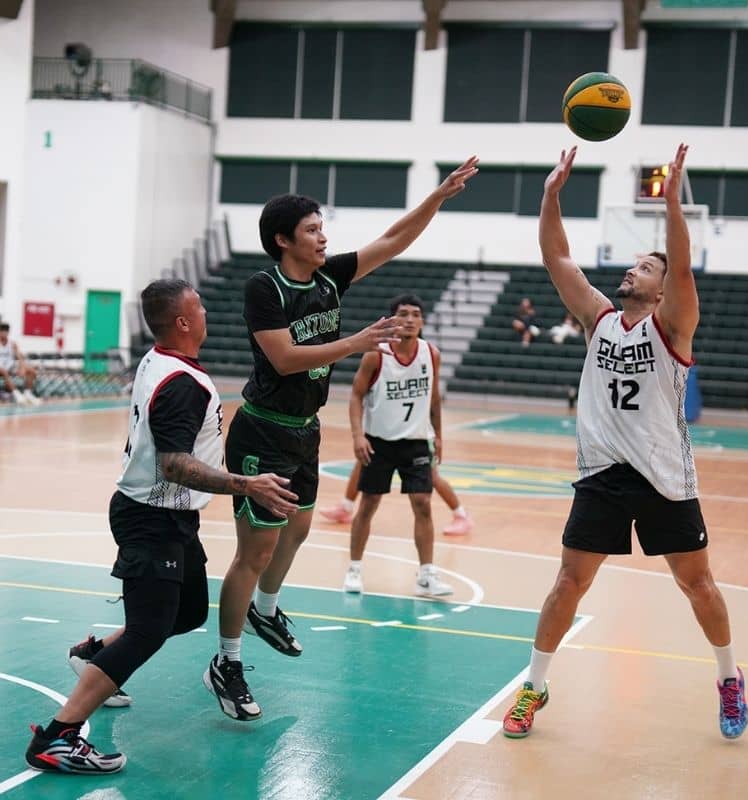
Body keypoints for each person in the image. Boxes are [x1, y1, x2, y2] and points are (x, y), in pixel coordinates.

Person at [208, 158, 480, 721]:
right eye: (311, 229)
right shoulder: (265, 287)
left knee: (300, 529)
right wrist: (354, 342)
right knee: (255, 550)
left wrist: (440, 195)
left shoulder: (331, 276)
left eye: (322, 227)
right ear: (283, 240)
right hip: (262, 428)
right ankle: (226, 662)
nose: (322, 235)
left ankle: (265, 609)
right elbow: (282, 358)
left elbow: (394, 239)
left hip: (305, 432)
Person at [502, 144, 748, 741]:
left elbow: (684, 270)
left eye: (646, 266)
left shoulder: (674, 325)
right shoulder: (599, 318)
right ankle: (534, 685)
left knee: (698, 584)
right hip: (603, 475)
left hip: (665, 475)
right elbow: (556, 255)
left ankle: (729, 677)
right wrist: (551, 194)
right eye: (634, 263)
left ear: (662, 290)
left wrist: (671, 204)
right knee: (568, 581)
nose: (633, 269)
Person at [25, 279, 298, 774]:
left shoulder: (160, 361)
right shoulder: (182, 385)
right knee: (148, 631)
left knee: (189, 611)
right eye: (199, 307)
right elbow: (174, 464)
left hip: (171, 516)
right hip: (152, 518)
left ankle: (92, 655)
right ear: (182, 322)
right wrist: (246, 484)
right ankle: (58, 736)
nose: (207, 313)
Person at [342, 294, 452, 595]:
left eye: (416, 314)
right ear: (392, 320)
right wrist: (357, 435)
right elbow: (355, 395)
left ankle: (426, 575)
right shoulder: (376, 355)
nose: (410, 319)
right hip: (379, 443)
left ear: (423, 321)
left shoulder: (432, 354)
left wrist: (438, 435)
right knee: (368, 504)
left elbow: (434, 398)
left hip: (416, 442)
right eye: (403, 314)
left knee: (423, 504)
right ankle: (354, 569)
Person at [319, 448, 474, 536]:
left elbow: (433, 405)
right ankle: (346, 507)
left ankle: (462, 516)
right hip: (386, 433)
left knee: (432, 477)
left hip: (417, 435)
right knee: (362, 461)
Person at [0, 322, 42, 405]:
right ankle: (17, 395)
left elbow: (20, 357)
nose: (4, 333)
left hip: (10, 366)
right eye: (2, 331)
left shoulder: (12, 343)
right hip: (1, 368)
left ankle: (28, 394)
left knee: (31, 370)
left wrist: (21, 367)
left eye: (6, 331)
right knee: (3, 371)